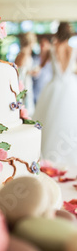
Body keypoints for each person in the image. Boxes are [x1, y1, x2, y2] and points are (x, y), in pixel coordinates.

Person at [33, 22, 77, 165]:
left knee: (49, 119)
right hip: (70, 85)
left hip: (54, 86)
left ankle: (46, 155)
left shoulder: (52, 49)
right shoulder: (73, 49)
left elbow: (41, 65)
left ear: (58, 32)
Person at [15, 32, 37, 116]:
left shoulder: (25, 53)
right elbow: (20, 72)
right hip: (24, 84)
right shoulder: (23, 55)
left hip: (28, 82)